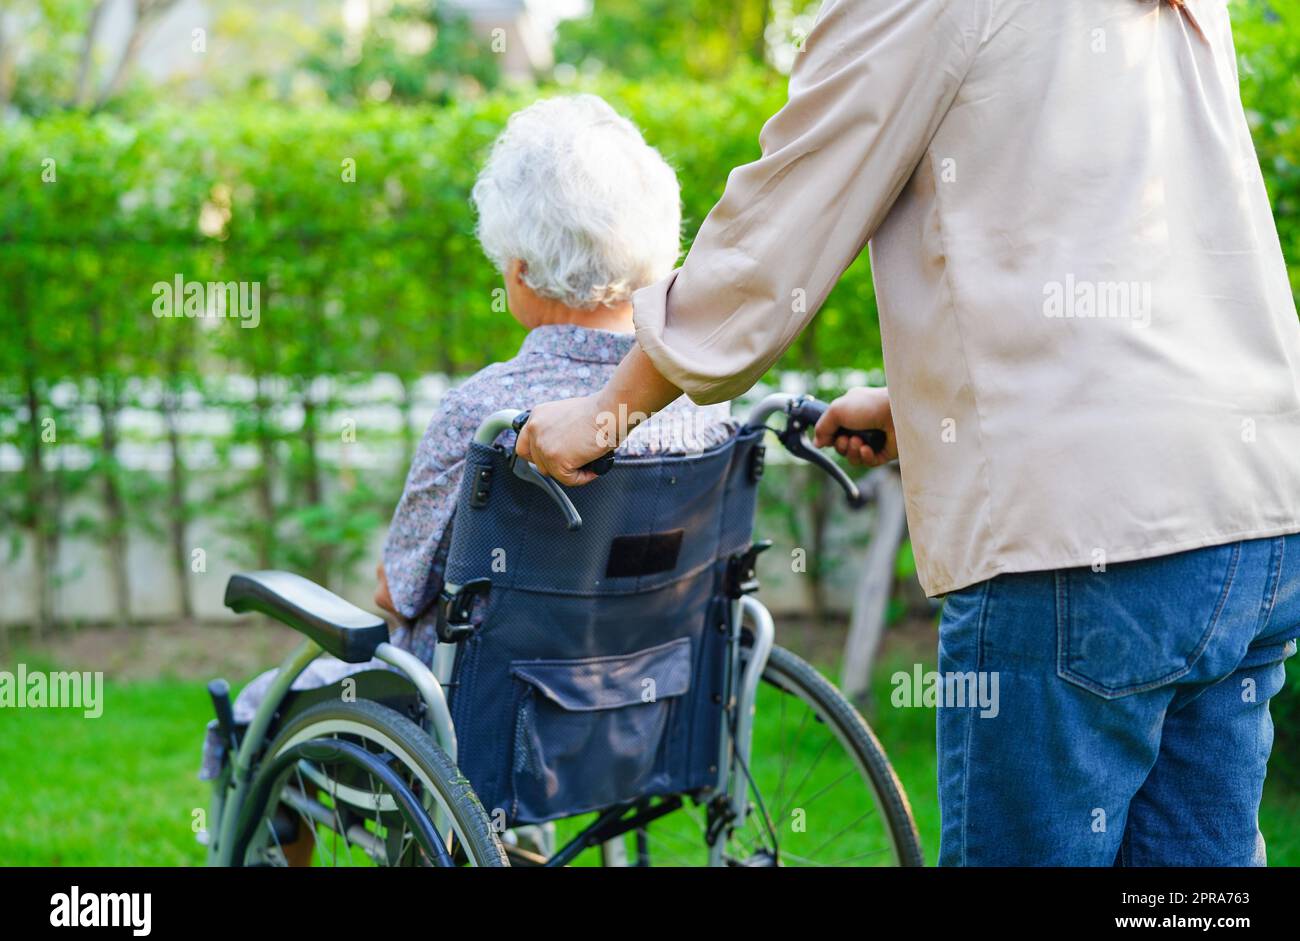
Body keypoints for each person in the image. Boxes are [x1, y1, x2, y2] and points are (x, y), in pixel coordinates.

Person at [515, 0, 1300, 866]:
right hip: (1251, 512)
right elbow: (1137, 239)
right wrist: (919, 406)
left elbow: (774, 236)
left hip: (1080, 541)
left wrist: (604, 411)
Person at [200, 97, 733, 861]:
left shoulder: (483, 412)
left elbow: (401, 591)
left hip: (467, 724)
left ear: (517, 272)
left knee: (255, 716)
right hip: (640, 710)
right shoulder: (701, 412)